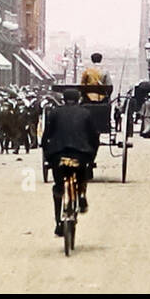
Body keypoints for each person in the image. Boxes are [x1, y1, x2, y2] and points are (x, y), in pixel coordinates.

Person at [41, 89, 100, 238]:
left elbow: (46, 136)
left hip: (58, 155)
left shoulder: (54, 113)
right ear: (79, 99)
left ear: (63, 99)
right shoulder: (86, 113)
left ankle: (58, 223)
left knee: (58, 187)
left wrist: (48, 156)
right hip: (80, 154)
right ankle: (81, 195)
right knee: (81, 176)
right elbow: (94, 137)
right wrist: (91, 157)